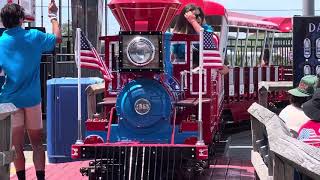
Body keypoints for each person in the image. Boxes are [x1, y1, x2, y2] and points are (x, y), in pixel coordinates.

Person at [0, 1, 61, 180]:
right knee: (37, 143)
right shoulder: (34, 36)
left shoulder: (1, 42)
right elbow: (57, 38)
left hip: (9, 101)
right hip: (32, 99)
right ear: (21, 19)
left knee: (16, 145)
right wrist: (53, 16)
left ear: (3, 22)